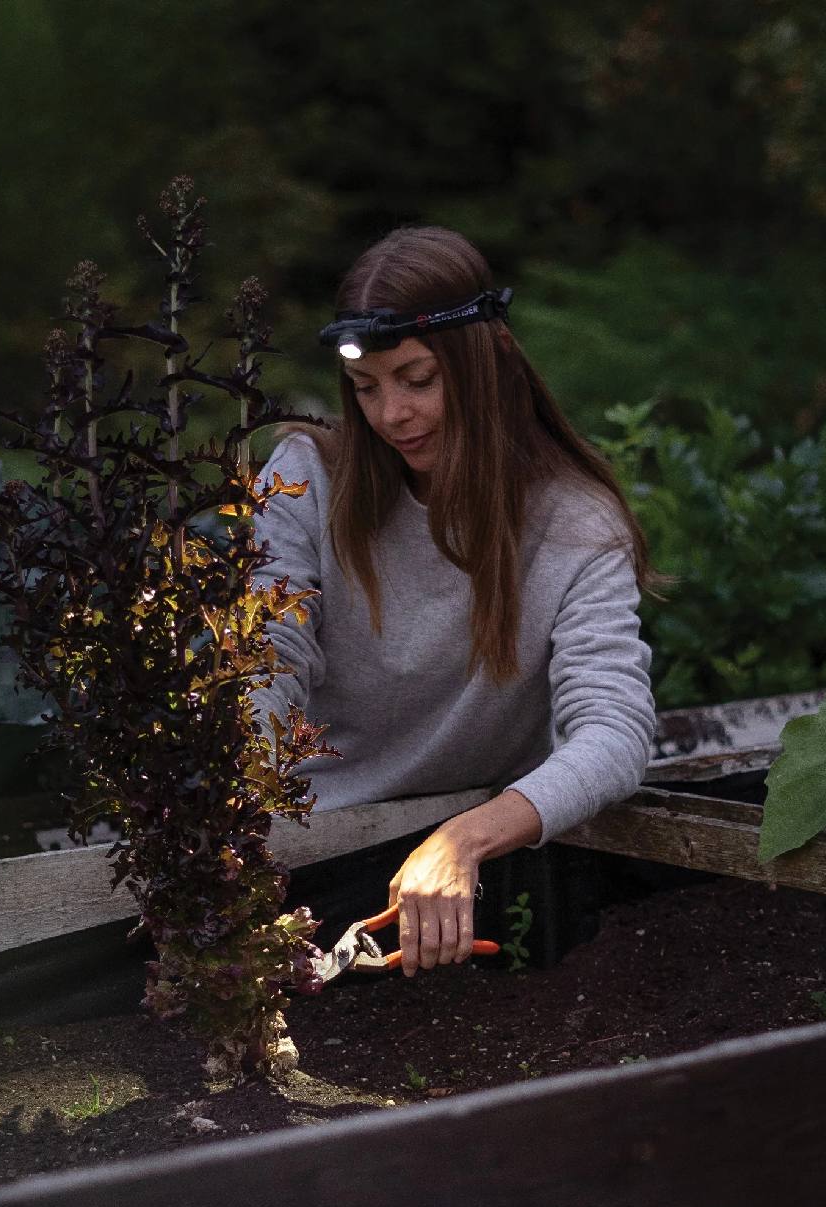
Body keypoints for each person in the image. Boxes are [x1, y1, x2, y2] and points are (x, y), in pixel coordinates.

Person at [251, 226, 656, 977]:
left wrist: (467, 838)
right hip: (307, 849)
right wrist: (238, 809)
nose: (391, 415)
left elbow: (617, 728)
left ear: (487, 364)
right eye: (366, 389)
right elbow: (268, 658)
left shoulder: (573, 522)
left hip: (482, 858)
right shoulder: (309, 477)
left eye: (417, 379)